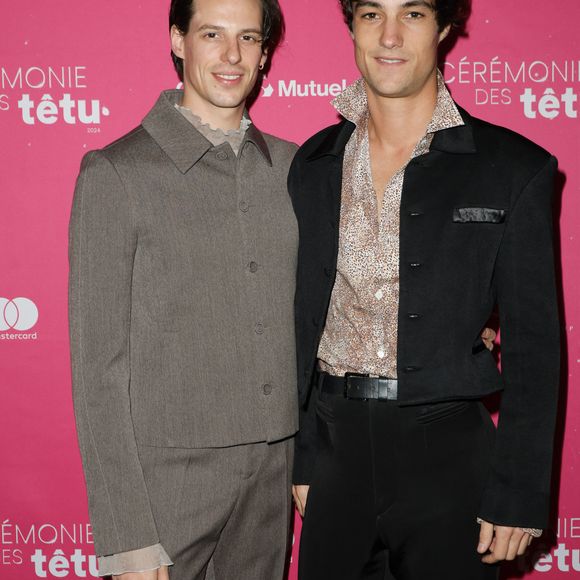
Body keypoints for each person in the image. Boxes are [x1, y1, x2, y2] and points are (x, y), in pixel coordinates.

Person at [289, 0, 560, 578]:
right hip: (336, 458)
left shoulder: (514, 168)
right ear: (352, 26)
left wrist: (519, 490)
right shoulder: (312, 164)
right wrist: (306, 455)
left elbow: (536, 347)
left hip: (449, 460)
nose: (389, 35)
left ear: (443, 27)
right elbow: (305, 320)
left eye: (412, 13)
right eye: (371, 14)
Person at [68, 0, 299, 578]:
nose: (231, 55)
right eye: (212, 34)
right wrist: (127, 539)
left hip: (273, 480)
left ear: (265, 51)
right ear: (178, 40)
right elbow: (98, 369)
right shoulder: (117, 174)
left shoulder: (298, 171)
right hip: (162, 489)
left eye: (248, 38)